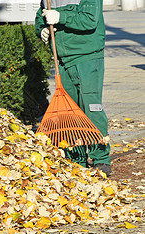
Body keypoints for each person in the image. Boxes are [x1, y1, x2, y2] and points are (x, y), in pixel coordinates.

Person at [35, 0, 111, 176]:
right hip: (63, 59)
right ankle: (76, 159)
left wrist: (61, 16)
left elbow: (90, 20)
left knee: (91, 107)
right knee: (70, 111)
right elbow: (41, 14)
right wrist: (42, 29)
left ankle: (100, 158)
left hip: (87, 56)